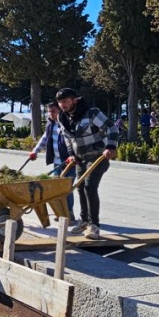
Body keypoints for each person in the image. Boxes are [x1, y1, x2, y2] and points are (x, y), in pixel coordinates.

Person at [55, 88, 118, 240]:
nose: (62, 105)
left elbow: (111, 128)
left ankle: (94, 225)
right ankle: (83, 221)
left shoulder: (91, 113)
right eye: (60, 102)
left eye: (65, 101)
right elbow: (67, 138)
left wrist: (110, 147)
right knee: (80, 188)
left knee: (90, 186)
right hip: (80, 158)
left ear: (74, 100)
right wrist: (71, 155)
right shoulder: (62, 118)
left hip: (97, 156)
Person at [28, 102, 76, 224]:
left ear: (60, 111)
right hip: (57, 162)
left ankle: (68, 213)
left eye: (53, 111)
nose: (51, 114)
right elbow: (45, 139)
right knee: (56, 189)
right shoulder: (51, 124)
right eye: (49, 111)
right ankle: (61, 212)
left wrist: (73, 156)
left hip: (69, 162)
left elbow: (75, 141)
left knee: (66, 189)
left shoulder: (67, 123)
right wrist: (35, 151)